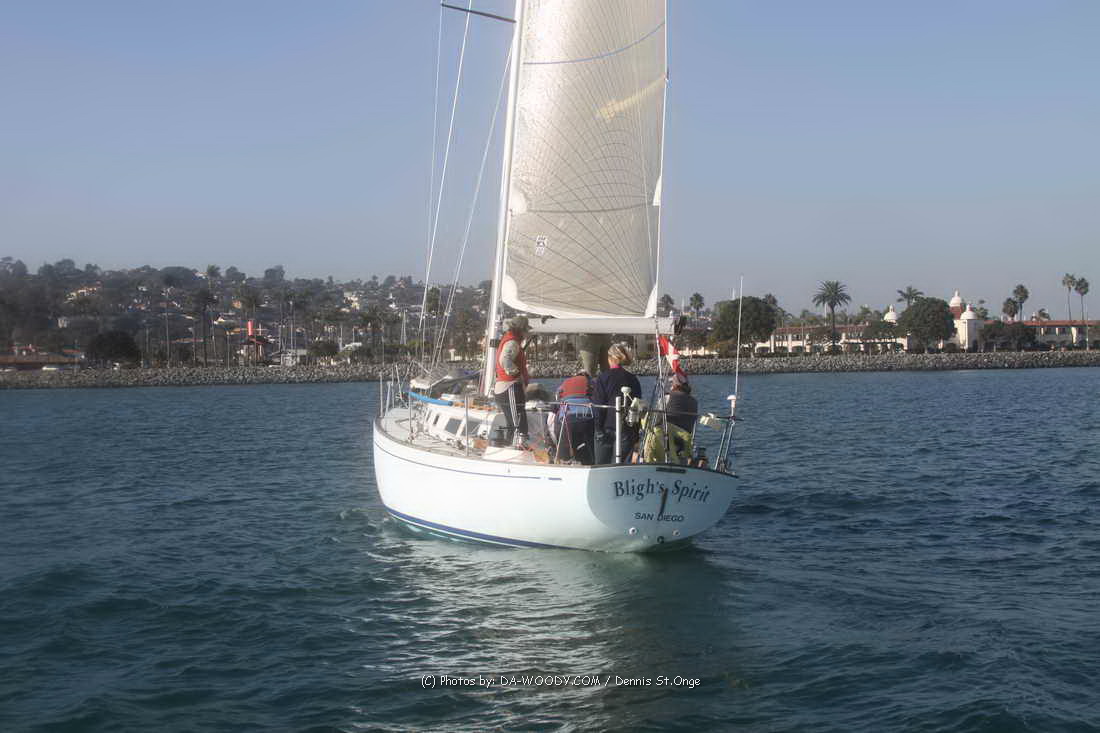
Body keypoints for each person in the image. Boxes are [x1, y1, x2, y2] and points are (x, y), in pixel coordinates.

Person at [591, 343, 642, 464]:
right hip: (627, 428)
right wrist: (636, 434)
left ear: (609, 358)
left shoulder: (603, 378)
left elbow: (598, 405)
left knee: (601, 466)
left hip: (606, 428)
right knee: (620, 465)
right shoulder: (633, 379)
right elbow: (637, 405)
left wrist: (598, 429)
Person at [645, 372, 698, 464]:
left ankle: (645, 461)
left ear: (675, 385)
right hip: (684, 441)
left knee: (650, 429)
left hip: (666, 438)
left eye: (671, 382)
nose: (670, 385)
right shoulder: (694, 402)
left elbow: (656, 418)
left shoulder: (667, 398)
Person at [494, 316, 530, 446]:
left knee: (513, 420)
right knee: (517, 421)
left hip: (505, 387)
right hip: (509, 386)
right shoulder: (513, 342)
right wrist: (516, 373)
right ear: (521, 330)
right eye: (525, 330)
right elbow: (505, 360)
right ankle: (517, 446)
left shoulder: (510, 340)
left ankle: (511, 445)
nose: (527, 333)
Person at [551, 371, 594, 464]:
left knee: (565, 444)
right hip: (587, 417)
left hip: (566, 417)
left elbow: (555, 406)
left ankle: (563, 460)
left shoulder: (565, 383)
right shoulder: (591, 382)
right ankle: (587, 461)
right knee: (587, 443)